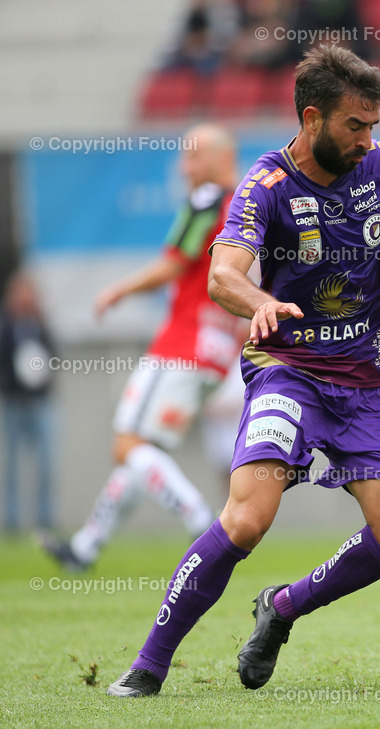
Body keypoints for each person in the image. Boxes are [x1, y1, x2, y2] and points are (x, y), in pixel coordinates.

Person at [104, 45, 380, 698]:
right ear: (311, 117)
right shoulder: (267, 185)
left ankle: (281, 609)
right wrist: (261, 302)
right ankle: (148, 664)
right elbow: (223, 273)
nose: (368, 139)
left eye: (374, 125)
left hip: (371, 381)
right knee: (246, 520)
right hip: (290, 372)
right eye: (355, 125)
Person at [38, 124, 240, 573]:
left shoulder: (208, 200)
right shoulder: (250, 208)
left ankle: (201, 520)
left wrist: (120, 289)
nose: (183, 167)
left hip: (181, 344)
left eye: (192, 156)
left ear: (220, 157)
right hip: (217, 352)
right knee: (144, 452)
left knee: (128, 444)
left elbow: (174, 262)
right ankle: (87, 547)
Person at [1, 271, 57, 533]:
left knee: (46, 464)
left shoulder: (40, 324)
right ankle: (12, 521)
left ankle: (45, 519)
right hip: (13, 402)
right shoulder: (6, 326)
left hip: (40, 403)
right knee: (10, 465)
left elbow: (52, 357)